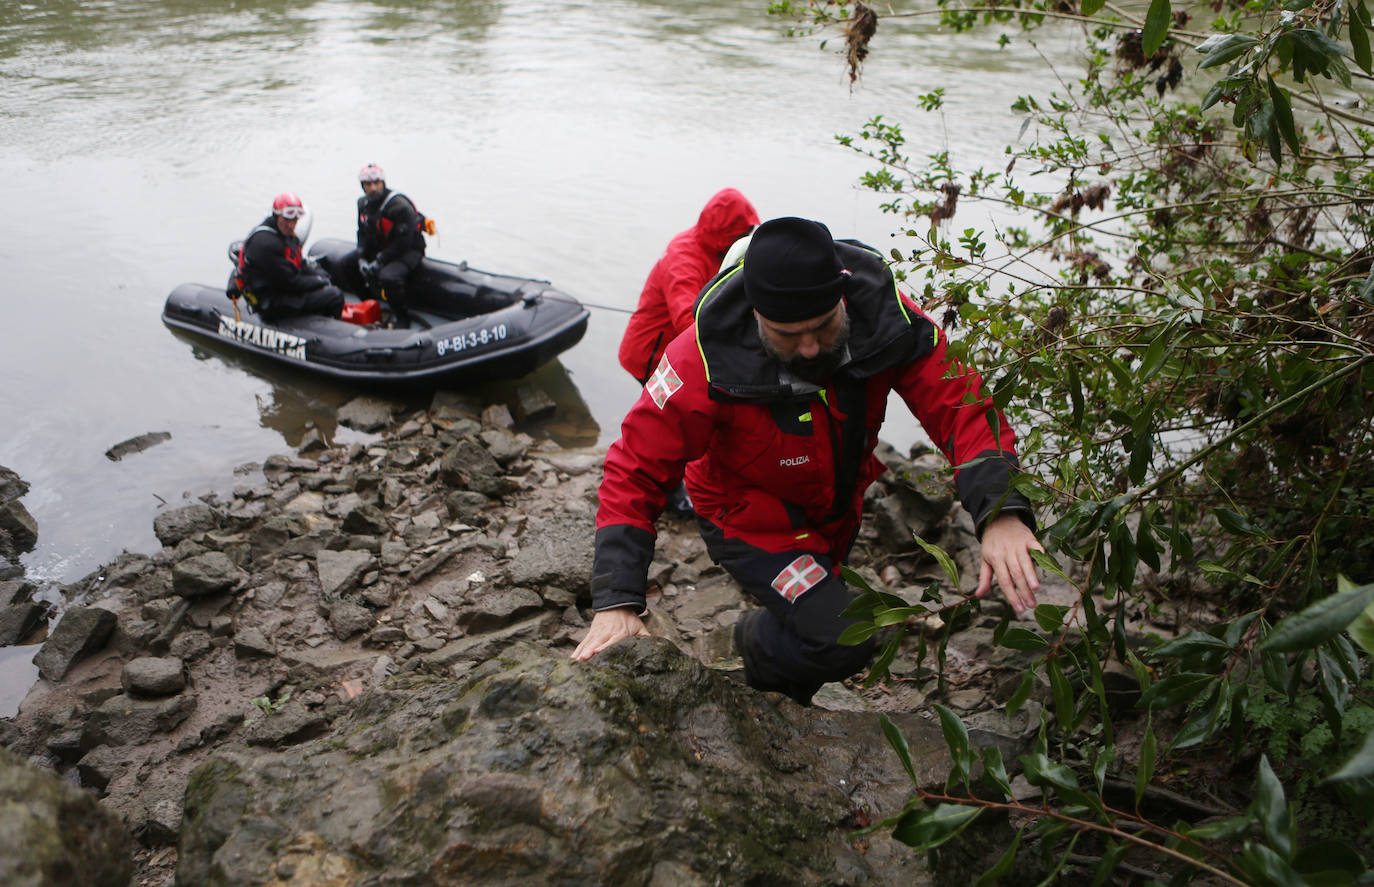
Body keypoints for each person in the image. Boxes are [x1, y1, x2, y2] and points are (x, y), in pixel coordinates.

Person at [572, 216, 1044, 706]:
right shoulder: (701, 357)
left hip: (836, 506)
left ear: (842, 295)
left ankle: (778, 704)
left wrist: (1001, 511)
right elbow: (635, 467)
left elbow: (961, 406)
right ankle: (747, 648)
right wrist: (617, 600)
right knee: (846, 638)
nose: (811, 347)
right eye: (787, 335)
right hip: (748, 524)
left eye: (824, 325)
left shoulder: (887, 317)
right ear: (756, 314)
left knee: (818, 633)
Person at [618, 187, 760, 385]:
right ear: (725, 234)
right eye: (740, 235)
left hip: (672, 346)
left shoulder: (716, 251)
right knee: (662, 400)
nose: (742, 242)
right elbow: (688, 320)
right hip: (651, 353)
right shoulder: (683, 258)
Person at [236, 192, 344, 322]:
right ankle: (328, 326)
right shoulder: (266, 244)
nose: (291, 225)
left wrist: (322, 276)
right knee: (335, 296)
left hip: (282, 291)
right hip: (271, 302)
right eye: (287, 220)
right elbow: (290, 282)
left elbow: (300, 264)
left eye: (295, 220)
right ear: (277, 216)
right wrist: (319, 282)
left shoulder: (285, 235)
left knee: (327, 283)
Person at [342, 163, 427, 328]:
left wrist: (379, 261)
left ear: (383, 182)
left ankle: (402, 318)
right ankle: (370, 303)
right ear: (363, 186)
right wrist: (361, 258)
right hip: (382, 246)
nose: (373, 188)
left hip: (408, 249)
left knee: (389, 277)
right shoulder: (363, 204)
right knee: (347, 264)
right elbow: (362, 233)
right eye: (368, 184)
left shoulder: (399, 207)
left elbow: (403, 243)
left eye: (376, 183)